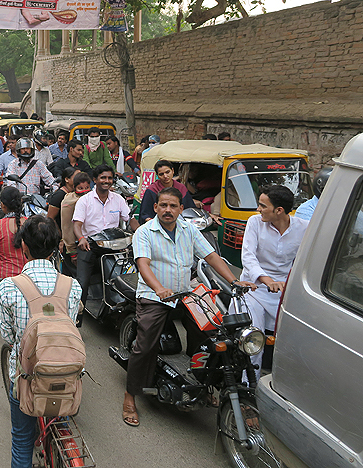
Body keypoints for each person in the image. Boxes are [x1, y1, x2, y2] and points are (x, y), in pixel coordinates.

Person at [122, 187, 254, 427]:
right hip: (155, 295)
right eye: (163, 205)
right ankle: (131, 396)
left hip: (185, 293)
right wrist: (159, 288)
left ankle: (203, 384)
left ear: (181, 209)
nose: (168, 210)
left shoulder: (189, 230)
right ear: (155, 207)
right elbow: (143, 264)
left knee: (211, 333)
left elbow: (211, 256)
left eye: (173, 206)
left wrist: (233, 281)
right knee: (145, 344)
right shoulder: (144, 232)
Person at [0, 215, 83, 468]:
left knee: (22, 440)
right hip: (65, 375)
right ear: (57, 247)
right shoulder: (72, 286)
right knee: (60, 417)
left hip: (26, 379)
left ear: (23, 245)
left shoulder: (9, 287)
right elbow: (73, 327)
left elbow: (8, 336)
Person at [235, 185, 308, 379]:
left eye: (262, 206)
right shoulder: (254, 223)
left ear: (279, 210)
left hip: (284, 291)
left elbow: (305, 261)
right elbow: (248, 257)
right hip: (254, 288)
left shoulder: (304, 228)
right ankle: (249, 383)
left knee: (295, 336)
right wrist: (267, 281)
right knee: (254, 337)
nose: (258, 209)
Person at [73, 165, 139, 305]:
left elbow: (130, 219)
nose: (106, 181)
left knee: (126, 276)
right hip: (89, 246)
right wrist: (81, 239)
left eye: (109, 178)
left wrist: (140, 233)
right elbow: (77, 225)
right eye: (103, 178)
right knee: (82, 283)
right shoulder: (84, 201)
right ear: (95, 180)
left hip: (113, 246)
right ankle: (77, 315)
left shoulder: (119, 199)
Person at [0, 187, 27, 278]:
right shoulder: (30, 223)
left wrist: (4, 267)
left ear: (2, 205)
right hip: (29, 277)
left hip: (6, 278)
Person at [138, 160, 196, 224]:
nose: (165, 176)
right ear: (157, 175)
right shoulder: (152, 190)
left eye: (167, 172)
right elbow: (145, 214)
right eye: (161, 174)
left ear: (173, 171)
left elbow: (190, 209)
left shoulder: (181, 188)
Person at [60, 172, 92, 277]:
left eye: (87, 187)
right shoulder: (70, 203)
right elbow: (67, 228)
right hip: (74, 247)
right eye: (80, 188)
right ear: (74, 188)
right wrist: (72, 253)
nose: (84, 191)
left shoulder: (93, 199)